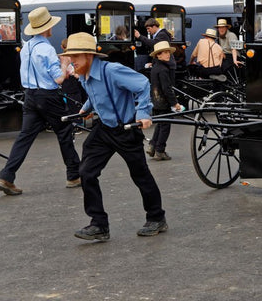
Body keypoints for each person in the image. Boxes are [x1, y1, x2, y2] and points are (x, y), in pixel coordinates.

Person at [60, 32, 167, 241]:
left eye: (75, 57)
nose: (71, 62)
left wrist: (143, 113)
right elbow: (94, 94)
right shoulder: (84, 75)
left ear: (89, 56)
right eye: (70, 57)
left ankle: (157, 217)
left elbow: (143, 85)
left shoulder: (113, 71)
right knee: (87, 172)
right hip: (104, 129)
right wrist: (87, 107)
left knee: (140, 175)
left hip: (125, 129)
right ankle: (98, 224)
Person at [0, 7, 81, 196]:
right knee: (64, 131)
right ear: (46, 28)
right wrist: (65, 64)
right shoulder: (47, 48)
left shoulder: (27, 48)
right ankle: (73, 175)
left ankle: (6, 175)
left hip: (30, 95)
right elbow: (58, 79)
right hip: (48, 96)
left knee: (25, 136)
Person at [147, 41, 182, 161]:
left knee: (160, 124)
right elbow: (167, 89)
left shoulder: (155, 68)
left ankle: (152, 145)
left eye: (168, 52)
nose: (168, 55)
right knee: (165, 126)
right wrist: (174, 103)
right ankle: (160, 150)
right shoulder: (163, 70)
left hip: (156, 101)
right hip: (163, 101)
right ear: (158, 55)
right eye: (165, 53)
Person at [60, 38, 87, 129]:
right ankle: (78, 123)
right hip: (73, 85)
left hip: (66, 86)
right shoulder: (73, 57)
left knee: (69, 105)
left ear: (61, 47)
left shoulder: (61, 57)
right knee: (76, 104)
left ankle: (72, 123)